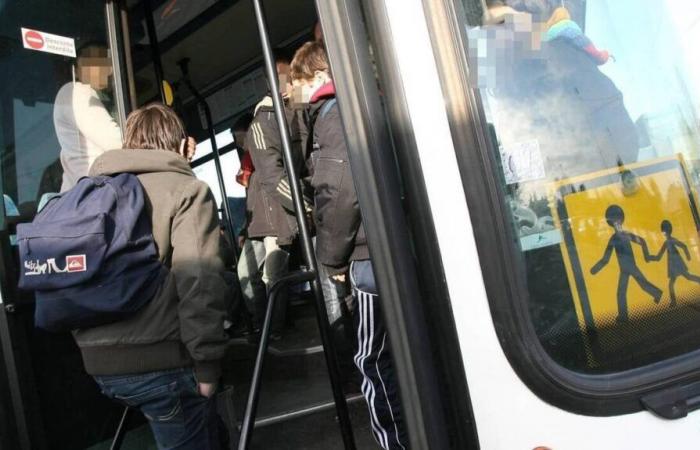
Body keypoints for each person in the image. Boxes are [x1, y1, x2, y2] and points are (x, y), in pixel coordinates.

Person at [74, 103, 229, 449]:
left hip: (100, 366)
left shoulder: (90, 193)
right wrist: (206, 366)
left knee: (210, 431)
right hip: (161, 364)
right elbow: (199, 280)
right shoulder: (187, 190)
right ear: (176, 143)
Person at [291, 41, 408, 450]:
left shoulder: (333, 114)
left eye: (298, 81)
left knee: (371, 360)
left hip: (366, 256)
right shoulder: (366, 101)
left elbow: (340, 192)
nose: (294, 91)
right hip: (389, 247)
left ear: (319, 76)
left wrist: (332, 258)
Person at [53, 44, 196, 193]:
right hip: (97, 195)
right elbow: (119, 143)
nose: (100, 66)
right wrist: (172, 150)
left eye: (103, 59)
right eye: (91, 60)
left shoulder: (107, 102)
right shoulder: (76, 91)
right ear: (75, 70)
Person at [237, 56, 305, 340]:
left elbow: (274, 174)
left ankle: (271, 330)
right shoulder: (271, 118)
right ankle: (267, 326)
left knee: (269, 275)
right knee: (252, 274)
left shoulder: (274, 118)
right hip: (265, 214)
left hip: (277, 210)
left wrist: (301, 206)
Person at [590, 205, 662, 323]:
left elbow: (642, 241)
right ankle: (655, 294)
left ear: (621, 220)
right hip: (625, 268)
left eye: (618, 221)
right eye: (614, 222)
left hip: (630, 266)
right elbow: (606, 258)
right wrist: (595, 269)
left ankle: (625, 315)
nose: (617, 224)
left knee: (635, 287)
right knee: (628, 289)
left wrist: (646, 256)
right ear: (611, 224)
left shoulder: (626, 235)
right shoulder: (613, 239)